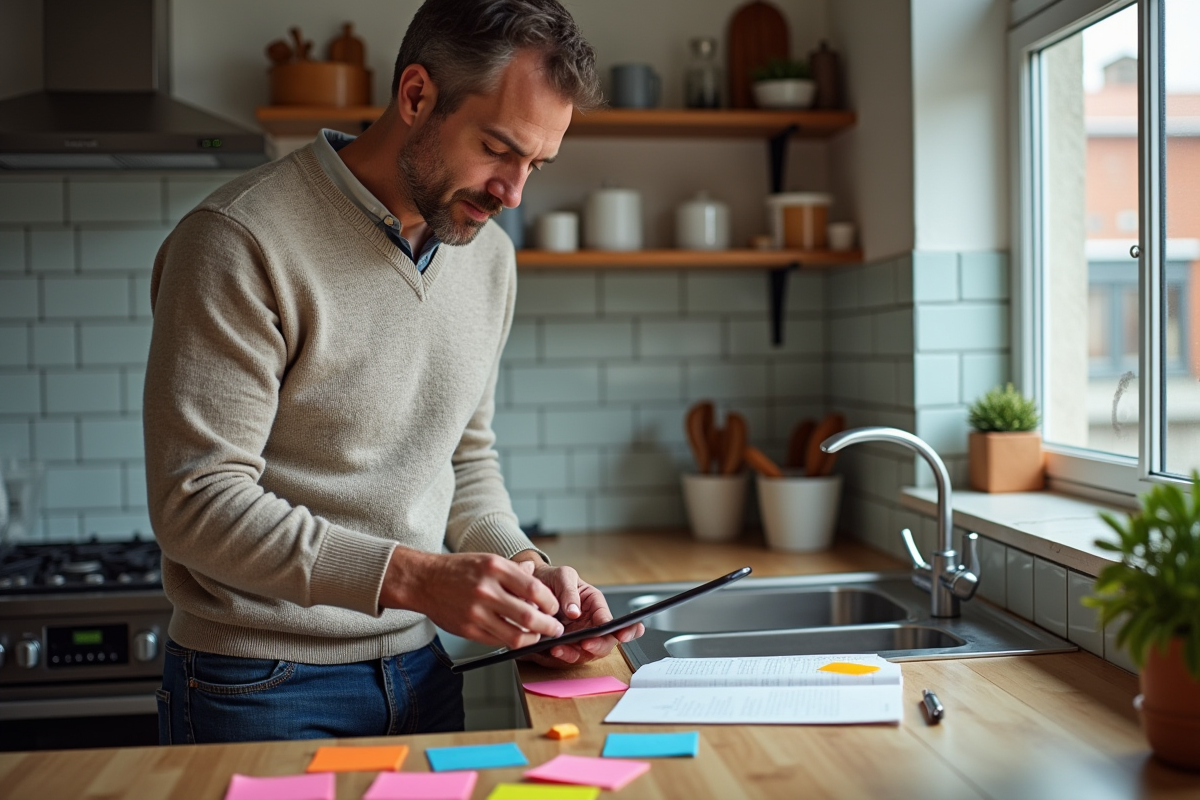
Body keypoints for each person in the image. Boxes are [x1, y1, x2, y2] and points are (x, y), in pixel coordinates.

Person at [146, 0, 643, 745]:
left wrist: (528, 573)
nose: (514, 193)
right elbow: (197, 503)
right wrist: (416, 578)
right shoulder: (239, 241)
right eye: (497, 148)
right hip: (259, 687)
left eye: (536, 164)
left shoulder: (490, 260)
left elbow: (464, 460)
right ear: (417, 96)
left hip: (420, 671)